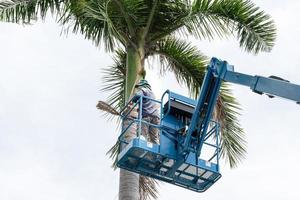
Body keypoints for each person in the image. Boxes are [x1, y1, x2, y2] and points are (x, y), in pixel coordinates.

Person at [132, 79, 160, 144]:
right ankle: (156, 149)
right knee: (154, 137)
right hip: (155, 117)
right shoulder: (152, 94)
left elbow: (136, 96)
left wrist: (133, 99)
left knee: (142, 133)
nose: (139, 88)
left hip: (147, 115)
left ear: (143, 85)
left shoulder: (144, 90)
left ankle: (141, 144)